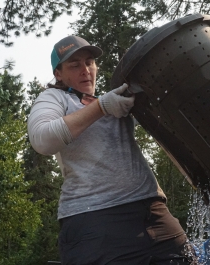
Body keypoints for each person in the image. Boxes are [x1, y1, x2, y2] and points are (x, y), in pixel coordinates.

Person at [27, 35, 193, 265]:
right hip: (95, 221)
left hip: (152, 212)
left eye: (89, 62)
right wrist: (101, 107)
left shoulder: (113, 99)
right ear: (58, 74)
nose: (85, 70)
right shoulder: (54, 98)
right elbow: (42, 139)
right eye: (74, 65)